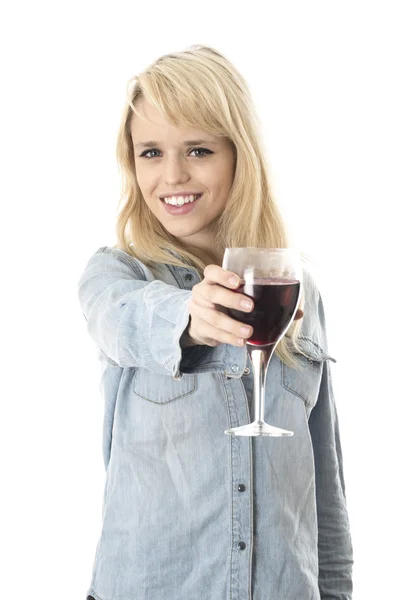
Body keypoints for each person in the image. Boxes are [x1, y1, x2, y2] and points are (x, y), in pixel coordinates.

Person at [77, 44, 353, 600]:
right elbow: (120, 320)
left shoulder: (298, 289)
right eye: (150, 152)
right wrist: (189, 317)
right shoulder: (117, 274)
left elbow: (323, 480)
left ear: (239, 154)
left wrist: (338, 590)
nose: (172, 175)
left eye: (198, 149)